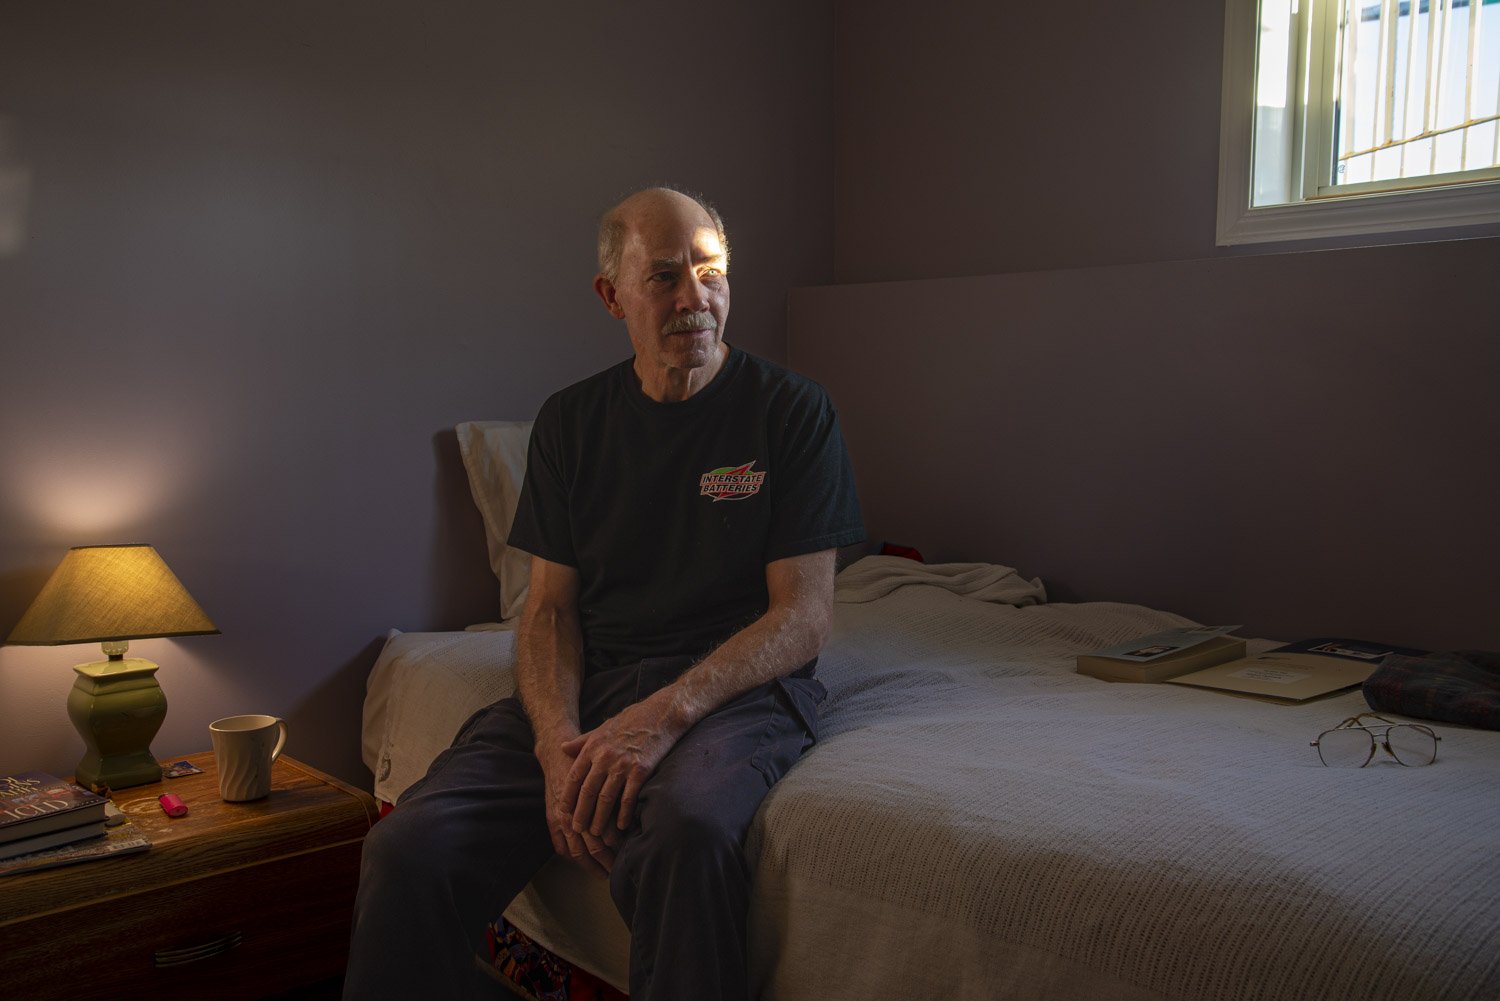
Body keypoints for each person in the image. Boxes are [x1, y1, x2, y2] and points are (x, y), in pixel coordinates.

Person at [344, 186, 864, 1000]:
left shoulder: (791, 412)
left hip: (735, 691)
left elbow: (803, 616)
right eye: (664, 276)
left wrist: (661, 717)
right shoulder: (571, 423)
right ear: (610, 294)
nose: (696, 297)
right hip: (591, 680)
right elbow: (548, 610)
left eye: (712, 272)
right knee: (409, 846)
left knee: (684, 836)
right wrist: (557, 748)